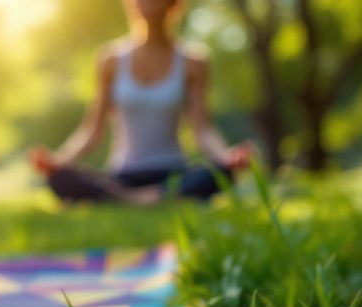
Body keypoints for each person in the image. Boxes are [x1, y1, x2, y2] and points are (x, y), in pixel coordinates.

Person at [29, 0, 254, 204]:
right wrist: (58, 160)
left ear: (173, 5)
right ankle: (140, 198)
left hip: (174, 173)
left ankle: (133, 199)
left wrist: (226, 156)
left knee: (221, 173)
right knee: (59, 178)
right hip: (123, 175)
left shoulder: (193, 62)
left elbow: (203, 130)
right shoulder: (111, 60)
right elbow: (91, 131)